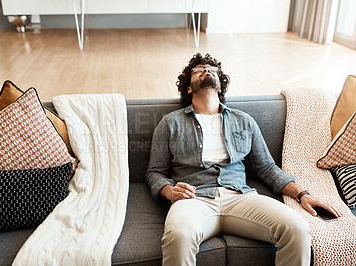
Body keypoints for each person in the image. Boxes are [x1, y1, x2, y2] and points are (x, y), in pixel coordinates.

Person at [145, 53, 342, 266]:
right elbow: (155, 172)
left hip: (240, 197)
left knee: (297, 228)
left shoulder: (244, 121)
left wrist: (302, 194)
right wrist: (169, 191)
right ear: (189, 88)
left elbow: (266, 167)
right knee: (179, 236)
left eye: (212, 69)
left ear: (220, 87)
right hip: (193, 200)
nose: (207, 70)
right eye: (199, 69)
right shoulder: (170, 123)